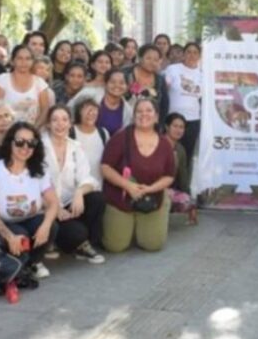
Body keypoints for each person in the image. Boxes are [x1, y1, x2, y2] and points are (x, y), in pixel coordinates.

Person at [0, 122, 59, 279]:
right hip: (1, 224)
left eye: (31, 143)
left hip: (28, 219)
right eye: (20, 142)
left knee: (51, 225)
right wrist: (9, 236)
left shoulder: (39, 169)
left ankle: (33, 262)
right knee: (20, 234)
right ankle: (17, 265)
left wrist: (46, 226)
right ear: (10, 142)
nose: (25, 147)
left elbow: (53, 202)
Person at [101, 98, 175, 253]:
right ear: (134, 116)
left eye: (148, 111)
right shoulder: (120, 138)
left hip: (151, 198)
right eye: (139, 111)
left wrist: (150, 189)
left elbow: (169, 175)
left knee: (153, 245)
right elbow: (105, 167)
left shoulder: (165, 144)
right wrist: (128, 186)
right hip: (121, 198)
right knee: (115, 246)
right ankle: (126, 224)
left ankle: (139, 226)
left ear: (156, 116)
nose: (144, 114)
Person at [42, 105, 105, 264]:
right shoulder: (40, 148)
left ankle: (81, 243)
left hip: (68, 203)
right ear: (48, 124)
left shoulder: (75, 147)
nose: (60, 124)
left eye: (64, 119)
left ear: (70, 123)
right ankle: (62, 240)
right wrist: (55, 207)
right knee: (77, 233)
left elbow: (88, 179)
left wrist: (79, 193)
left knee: (97, 198)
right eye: (55, 120)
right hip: (46, 206)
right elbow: (35, 184)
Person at [0, 44, 51, 127]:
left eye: (28, 58)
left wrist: (34, 129)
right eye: (20, 58)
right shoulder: (2, 80)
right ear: (12, 61)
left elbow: (45, 110)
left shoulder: (40, 83)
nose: (24, 62)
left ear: (32, 61)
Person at [163, 42, 201, 164]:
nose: (192, 55)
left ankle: (184, 177)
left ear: (199, 56)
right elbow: (164, 89)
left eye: (195, 52)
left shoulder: (203, 74)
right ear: (183, 54)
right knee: (168, 153)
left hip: (193, 120)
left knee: (186, 156)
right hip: (173, 118)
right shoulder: (173, 69)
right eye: (188, 52)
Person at [122, 44, 169, 127]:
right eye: (148, 58)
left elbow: (164, 106)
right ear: (140, 58)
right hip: (123, 121)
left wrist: (159, 126)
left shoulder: (160, 80)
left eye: (156, 60)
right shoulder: (125, 73)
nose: (152, 62)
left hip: (147, 125)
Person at [164, 113, 197, 224]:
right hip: (153, 187)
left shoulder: (180, 149)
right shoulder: (157, 143)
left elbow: (183, 177)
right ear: (167, 127)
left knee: (188, 202)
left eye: (181, 127)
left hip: (169, 189)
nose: (178, 130)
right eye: (175, 126)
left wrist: (190, 202)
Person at [71, 97, 108, 191]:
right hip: (74, 190)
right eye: (86, 109)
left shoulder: (103, 133)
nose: (91, 113)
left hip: (97, 189)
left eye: (94, 109)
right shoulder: (70, 132)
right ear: (79, 112)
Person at [96, 68, 133, 137]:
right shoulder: (91, 99)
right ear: (105, 83)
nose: (117, 85)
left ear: (127, 87)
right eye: (113, 82)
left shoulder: (129, 111)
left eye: (121, 83)